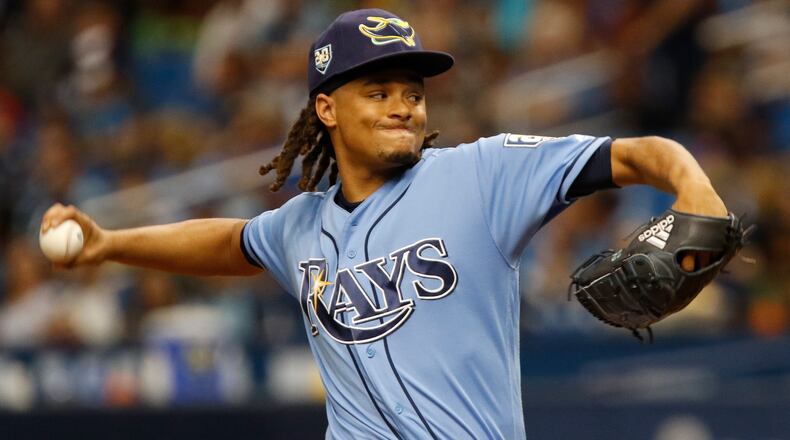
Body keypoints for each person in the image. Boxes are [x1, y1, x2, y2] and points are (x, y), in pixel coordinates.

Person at [42, 8, 728, 439]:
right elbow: (229, 241)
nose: (403, 107)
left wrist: (696, 191)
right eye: (378, 92)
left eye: (412, 92)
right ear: (328, 110)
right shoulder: (299, 227)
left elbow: (636, 154)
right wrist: (109, 245)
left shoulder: (483, 174)